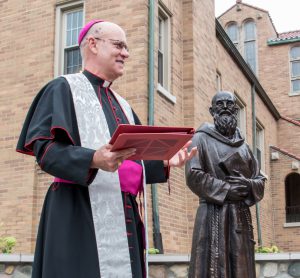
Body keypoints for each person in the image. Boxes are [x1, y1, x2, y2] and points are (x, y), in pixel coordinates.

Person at [16, 20, 197, 278]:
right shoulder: (63, 88)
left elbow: (132, 159)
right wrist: (92, 159)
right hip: (77, 213)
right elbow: (45, 151)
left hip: (123, 217)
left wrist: (167, 161)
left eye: (126, 47)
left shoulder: (123, 105)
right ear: (93, 44)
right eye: (118, 45)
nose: (126, 53)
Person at [185, 91, 266, 278]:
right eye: (219, 105)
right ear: (212, 110)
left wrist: (248, 185)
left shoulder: (244, 147)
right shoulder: (200, 139)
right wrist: (227, 189)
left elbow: (259, 179)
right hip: (213, 215)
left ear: (235, 110)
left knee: (241, 269)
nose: (225, 108)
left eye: (229, 105)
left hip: (239, 217)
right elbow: (193, 175)